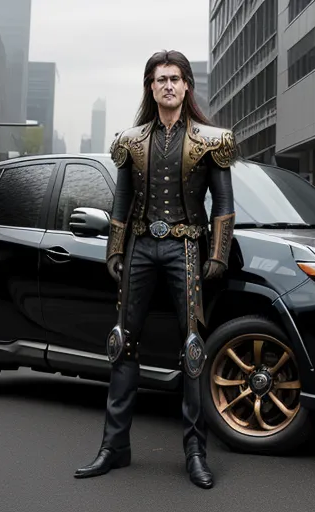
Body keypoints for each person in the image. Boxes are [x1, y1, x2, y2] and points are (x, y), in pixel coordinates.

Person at [74, 50, 236, 489]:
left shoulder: (211, 139)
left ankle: (195, 452)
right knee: (121, 343)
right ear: (150, 86)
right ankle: (114, 447)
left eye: (175, 78)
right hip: (142, 247)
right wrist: (114, 249)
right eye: (160, 79)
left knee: (193, 349)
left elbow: (222, 204)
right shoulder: (131, 140)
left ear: (187, 86)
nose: (168, 85)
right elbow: (122, 201)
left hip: (186, 245)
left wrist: (216, 254)